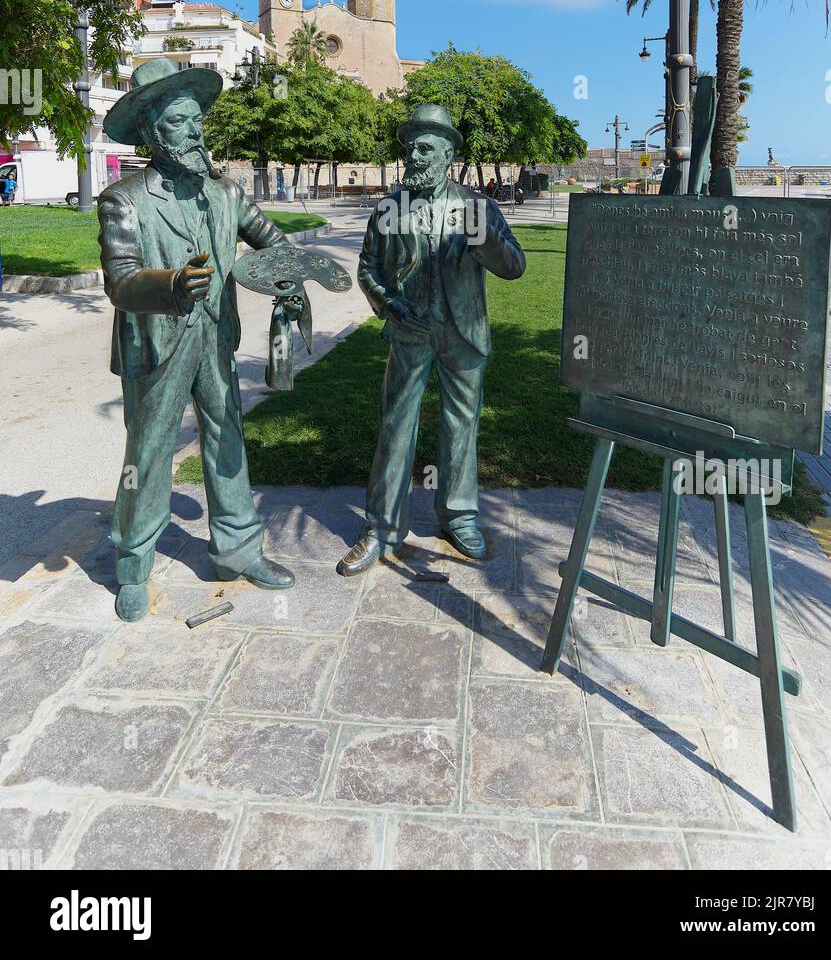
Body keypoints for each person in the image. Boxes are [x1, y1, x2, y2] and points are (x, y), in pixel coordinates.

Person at [98, 58, 301, 621]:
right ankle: (134, 563)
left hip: (215, 340)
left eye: (198, 121)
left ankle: (238, 550)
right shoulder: (124, 199)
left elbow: (273, 244)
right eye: (180, 123)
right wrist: (170, 284)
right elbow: (120, 280)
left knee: (227, 438)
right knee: (150, 450)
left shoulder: (226, 194)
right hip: (158, 342)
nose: (196, 132)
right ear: (150, 132)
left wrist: (291, 277)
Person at [337, 104, 526, 575]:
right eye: (411, 147)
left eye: (425, 147)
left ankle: (459, 517)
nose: (414, 155)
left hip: (463, 334)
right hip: (410, 331)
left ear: (447, 155)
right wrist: (389, 304)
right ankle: (383, 528)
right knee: (396, 425)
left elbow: (514, 267)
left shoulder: (478, 207)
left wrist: (484, 240)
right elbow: (369, 269)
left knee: (461, 426)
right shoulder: (389, 208)